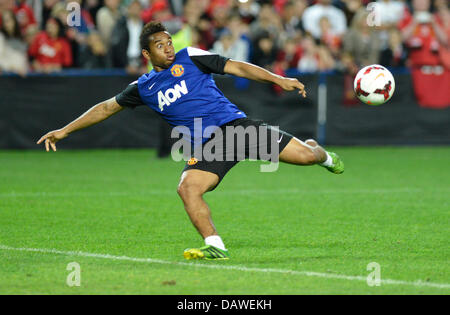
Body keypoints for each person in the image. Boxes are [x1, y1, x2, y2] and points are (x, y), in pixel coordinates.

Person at [37, 22, 344, 261]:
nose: (168, 48)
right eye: (160, 45)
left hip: (238, 128)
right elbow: (105, 108)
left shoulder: (191, 57)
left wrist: (278, 79)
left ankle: (324, 155)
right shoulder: (143, 88)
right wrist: (65, 130)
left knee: (306, 157)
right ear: (147, 54)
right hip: (209, 146)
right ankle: (215, 245)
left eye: (169, 42)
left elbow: (237, 66)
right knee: (187, 188)